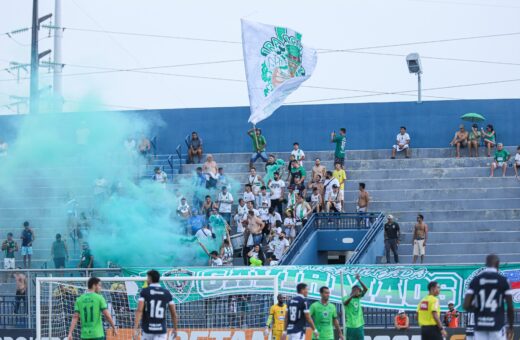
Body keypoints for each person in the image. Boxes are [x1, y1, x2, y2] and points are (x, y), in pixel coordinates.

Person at [463, 254, 514, 340]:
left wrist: (478, 309)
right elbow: (510, 306)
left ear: (486, 264)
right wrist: (511, 326)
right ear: (497, 263)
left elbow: (466, 305)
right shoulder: (504, 280)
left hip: (480, 325)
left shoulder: (475, 280)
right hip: (497, 325)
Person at [343, 274, 368, 340]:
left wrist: (359, 279)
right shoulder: (345, 297)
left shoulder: (358, 297)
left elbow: (365, 289)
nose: (360, 293)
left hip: (359, 326)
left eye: (360, 291)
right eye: (359, 291)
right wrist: (352, 295)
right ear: (354, 290)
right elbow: (345, 303)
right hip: (350, 326)